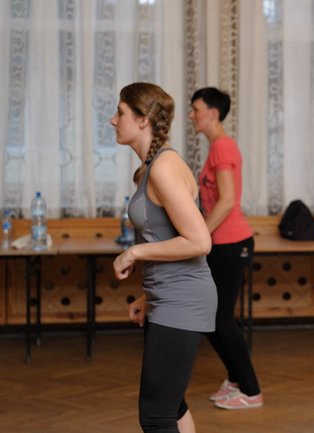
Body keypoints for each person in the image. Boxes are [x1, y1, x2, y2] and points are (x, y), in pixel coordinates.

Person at [111, 82, 218, 433]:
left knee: (156, 416)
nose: (113, 120)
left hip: (183, 299)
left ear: (142, 120)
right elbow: (168, 237)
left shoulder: (164, 167)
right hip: (167, 297)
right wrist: (147, 295)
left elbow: (199, 241)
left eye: (121, 112)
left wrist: (134, 252)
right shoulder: (153, 166)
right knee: (172, 405)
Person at [189, 87, 262, 410]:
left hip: (230, 242)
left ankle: (251, 391)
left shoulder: (222, 147)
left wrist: (199, 235)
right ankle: (235, 379)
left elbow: (228, 200)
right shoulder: (218, 147)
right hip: (222, 242)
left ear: (213, 113)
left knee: (219, 318)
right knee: (212, 316)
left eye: (196, 109)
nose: (192, 115)